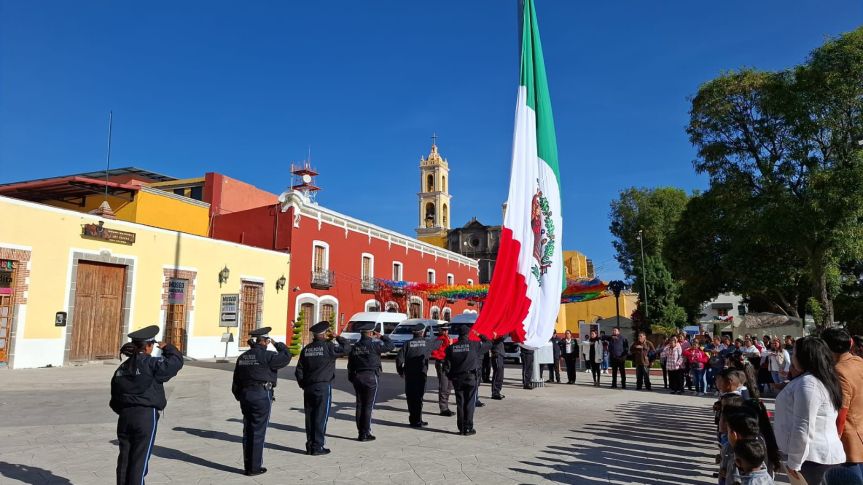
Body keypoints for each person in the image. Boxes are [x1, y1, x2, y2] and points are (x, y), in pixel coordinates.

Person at [110, 325, 184, 485]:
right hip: (145, 415)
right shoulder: (150, 363)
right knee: (139, 461)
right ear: (148, 346)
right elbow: (175, 363)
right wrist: (168, 348)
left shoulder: (121, 368)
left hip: (125, 416)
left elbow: (114, 398)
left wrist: (126, 410)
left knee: (124, 460)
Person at [774, 336, 846, 484]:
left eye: (794, 353)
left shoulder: (809, 384)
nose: (792, 358)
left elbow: (804, 427)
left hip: (813, 459)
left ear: (805, 357)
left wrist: (794, 462)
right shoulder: (817, 379)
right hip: (813, 457)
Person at [231, 326, 292, 476]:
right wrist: (277, 344)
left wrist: (241, 396)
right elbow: (287, 355)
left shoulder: (243, 357)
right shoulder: (268, 356)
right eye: (267, 340)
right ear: (264, 341)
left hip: (246, 395)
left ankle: (248, 465)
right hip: (261, 394)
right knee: (258, 431)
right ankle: (254, 468)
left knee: (248, 430)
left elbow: (236, 382)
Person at [295, 321, 352, 455]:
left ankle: (310, 445)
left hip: (308, 387)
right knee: (321, 416)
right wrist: (337, 336)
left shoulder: (306, 349)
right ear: (325, 334)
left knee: (310, 417)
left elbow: (299, 370)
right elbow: (347, 348)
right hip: (323, 386)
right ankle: (318, 446)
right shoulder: (328, 347)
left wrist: (304, 385)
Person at [822, 328, 863, 480]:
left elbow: (842, 411)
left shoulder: (839, 371)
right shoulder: (859, 361)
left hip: (849, 436)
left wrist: (835, 439)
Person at [347, 322, 394, 442]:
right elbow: (391, 346)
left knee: (359, 404)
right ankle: (365, 433)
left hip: (357, 376)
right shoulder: (374, 345)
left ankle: (360, 432)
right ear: (370, 333)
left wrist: (352, 377)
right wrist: (382, 336)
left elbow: (350, 364)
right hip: (370, 376)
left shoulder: (355, 346)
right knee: (368, 406)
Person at [443, 327, 492, 435]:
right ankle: (468, 427)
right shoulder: (474, 345)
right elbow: (489, 344)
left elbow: (446, 366)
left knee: (460, 403)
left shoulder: (451, 348)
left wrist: (451, 376)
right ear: (468, 334)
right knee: (469, 403)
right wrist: (480, 335)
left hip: (457, 379)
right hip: (470, 378)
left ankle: (461, 428)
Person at [396, 323, 442, 428]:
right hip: (421, 374)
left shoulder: (407, 344)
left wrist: (400, 371)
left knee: (411, 397)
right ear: (422, 332)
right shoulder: (427, 343)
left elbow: (399, 359)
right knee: (419, 397)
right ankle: (417, 420)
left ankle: (414, 419)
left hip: (409, 375)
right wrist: (441, 335)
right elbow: (438, 344)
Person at [430, 323, 454, 416]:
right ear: (440, 330)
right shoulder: (439, 340)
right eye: (443, 330)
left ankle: (446, 407)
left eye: (447, 330)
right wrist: (444, 355)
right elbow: (434, 352)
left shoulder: (448, 338)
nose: (445, 331)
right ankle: (443, 409)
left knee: (449, 386)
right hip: (442, 363)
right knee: (444, 386)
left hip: (448, 364)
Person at [490, 335, 506, 399]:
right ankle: (495, 392)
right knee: (497, 373)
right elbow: (501, 338)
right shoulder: (494, 333)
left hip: (500, 353)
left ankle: (497, 391)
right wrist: (506, 332)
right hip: (496, 353)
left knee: (500, 374)